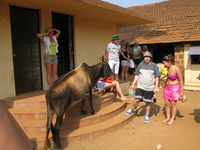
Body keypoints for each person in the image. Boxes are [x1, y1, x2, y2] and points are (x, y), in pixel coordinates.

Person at [125, 51, 160, 123]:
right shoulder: (140, 65)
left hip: (150, 87)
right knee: (137, 99)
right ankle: (132, 109)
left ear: (150, 58)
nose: (146, 58)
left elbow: (157, 77)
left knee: (148, 102)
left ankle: (147, 115)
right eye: (145, 57)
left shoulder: (154, 66)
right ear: (143, 58)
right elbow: (137, 75)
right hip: (140, 86)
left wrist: (156, 87)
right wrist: (133, 84)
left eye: (148, 57)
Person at [162, 54, 184, 125]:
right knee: (166, 103)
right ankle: (168, 117)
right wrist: (163, 78)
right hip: (166, 87)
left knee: (173, 104)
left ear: (169, 62)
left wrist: (182, 91)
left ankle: (172, 118)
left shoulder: (176, 68)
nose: (164, 64)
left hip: (174, 88)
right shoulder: (165, 69)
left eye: (165, 63)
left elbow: (181, 80)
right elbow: (163, 78)